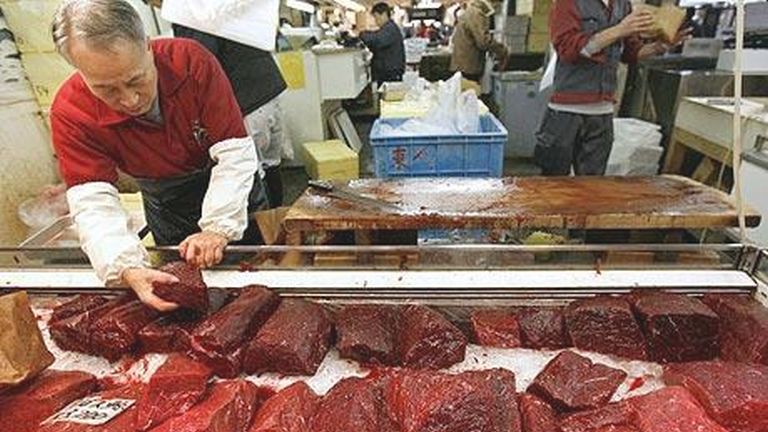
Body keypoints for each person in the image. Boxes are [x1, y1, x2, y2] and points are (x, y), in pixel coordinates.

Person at [50, 0, 268, 310]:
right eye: (107, 89)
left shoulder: (191, 61)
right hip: (167, 206)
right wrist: (125, 266)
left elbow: (234, 152)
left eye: (136, 79)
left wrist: (219, 226)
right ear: (79, 71)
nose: (129, 99)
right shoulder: (71, 112)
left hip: (231, 191)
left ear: (148, 45)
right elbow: (92, 200)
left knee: (256, 288)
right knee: (181, 300)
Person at [146, 0, 291, 207]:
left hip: (247, 101)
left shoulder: (189, 14)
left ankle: (269, 223)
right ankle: (278, 217)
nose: (159, 9)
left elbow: (199, 60)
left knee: (250, 172)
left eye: (154, 4)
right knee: (270, 165)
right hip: (268, 92)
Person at [534, 0, 689, 176]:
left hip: (603, 113)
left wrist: (661, 46)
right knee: (553, 182)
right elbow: (568, 48)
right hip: (566, 112)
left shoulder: (622, 5)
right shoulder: (568, 2)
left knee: (593, 184)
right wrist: (620, 29)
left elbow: (630, 53)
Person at [450, 0, 507, 83]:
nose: (496, 8)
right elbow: (483, 41)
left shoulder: (472, 11)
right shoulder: (476, 14)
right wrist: (502, 50)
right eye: (496, 6)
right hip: (468, 66)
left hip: (464, 64)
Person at [359, 2, 406, 85]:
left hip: (390, 74)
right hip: (387, 72)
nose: (376, 21)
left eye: (376, 17)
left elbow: (377, 40)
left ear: (384, 14)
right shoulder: (387, 28)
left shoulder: (390, 29)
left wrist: (362, 34)